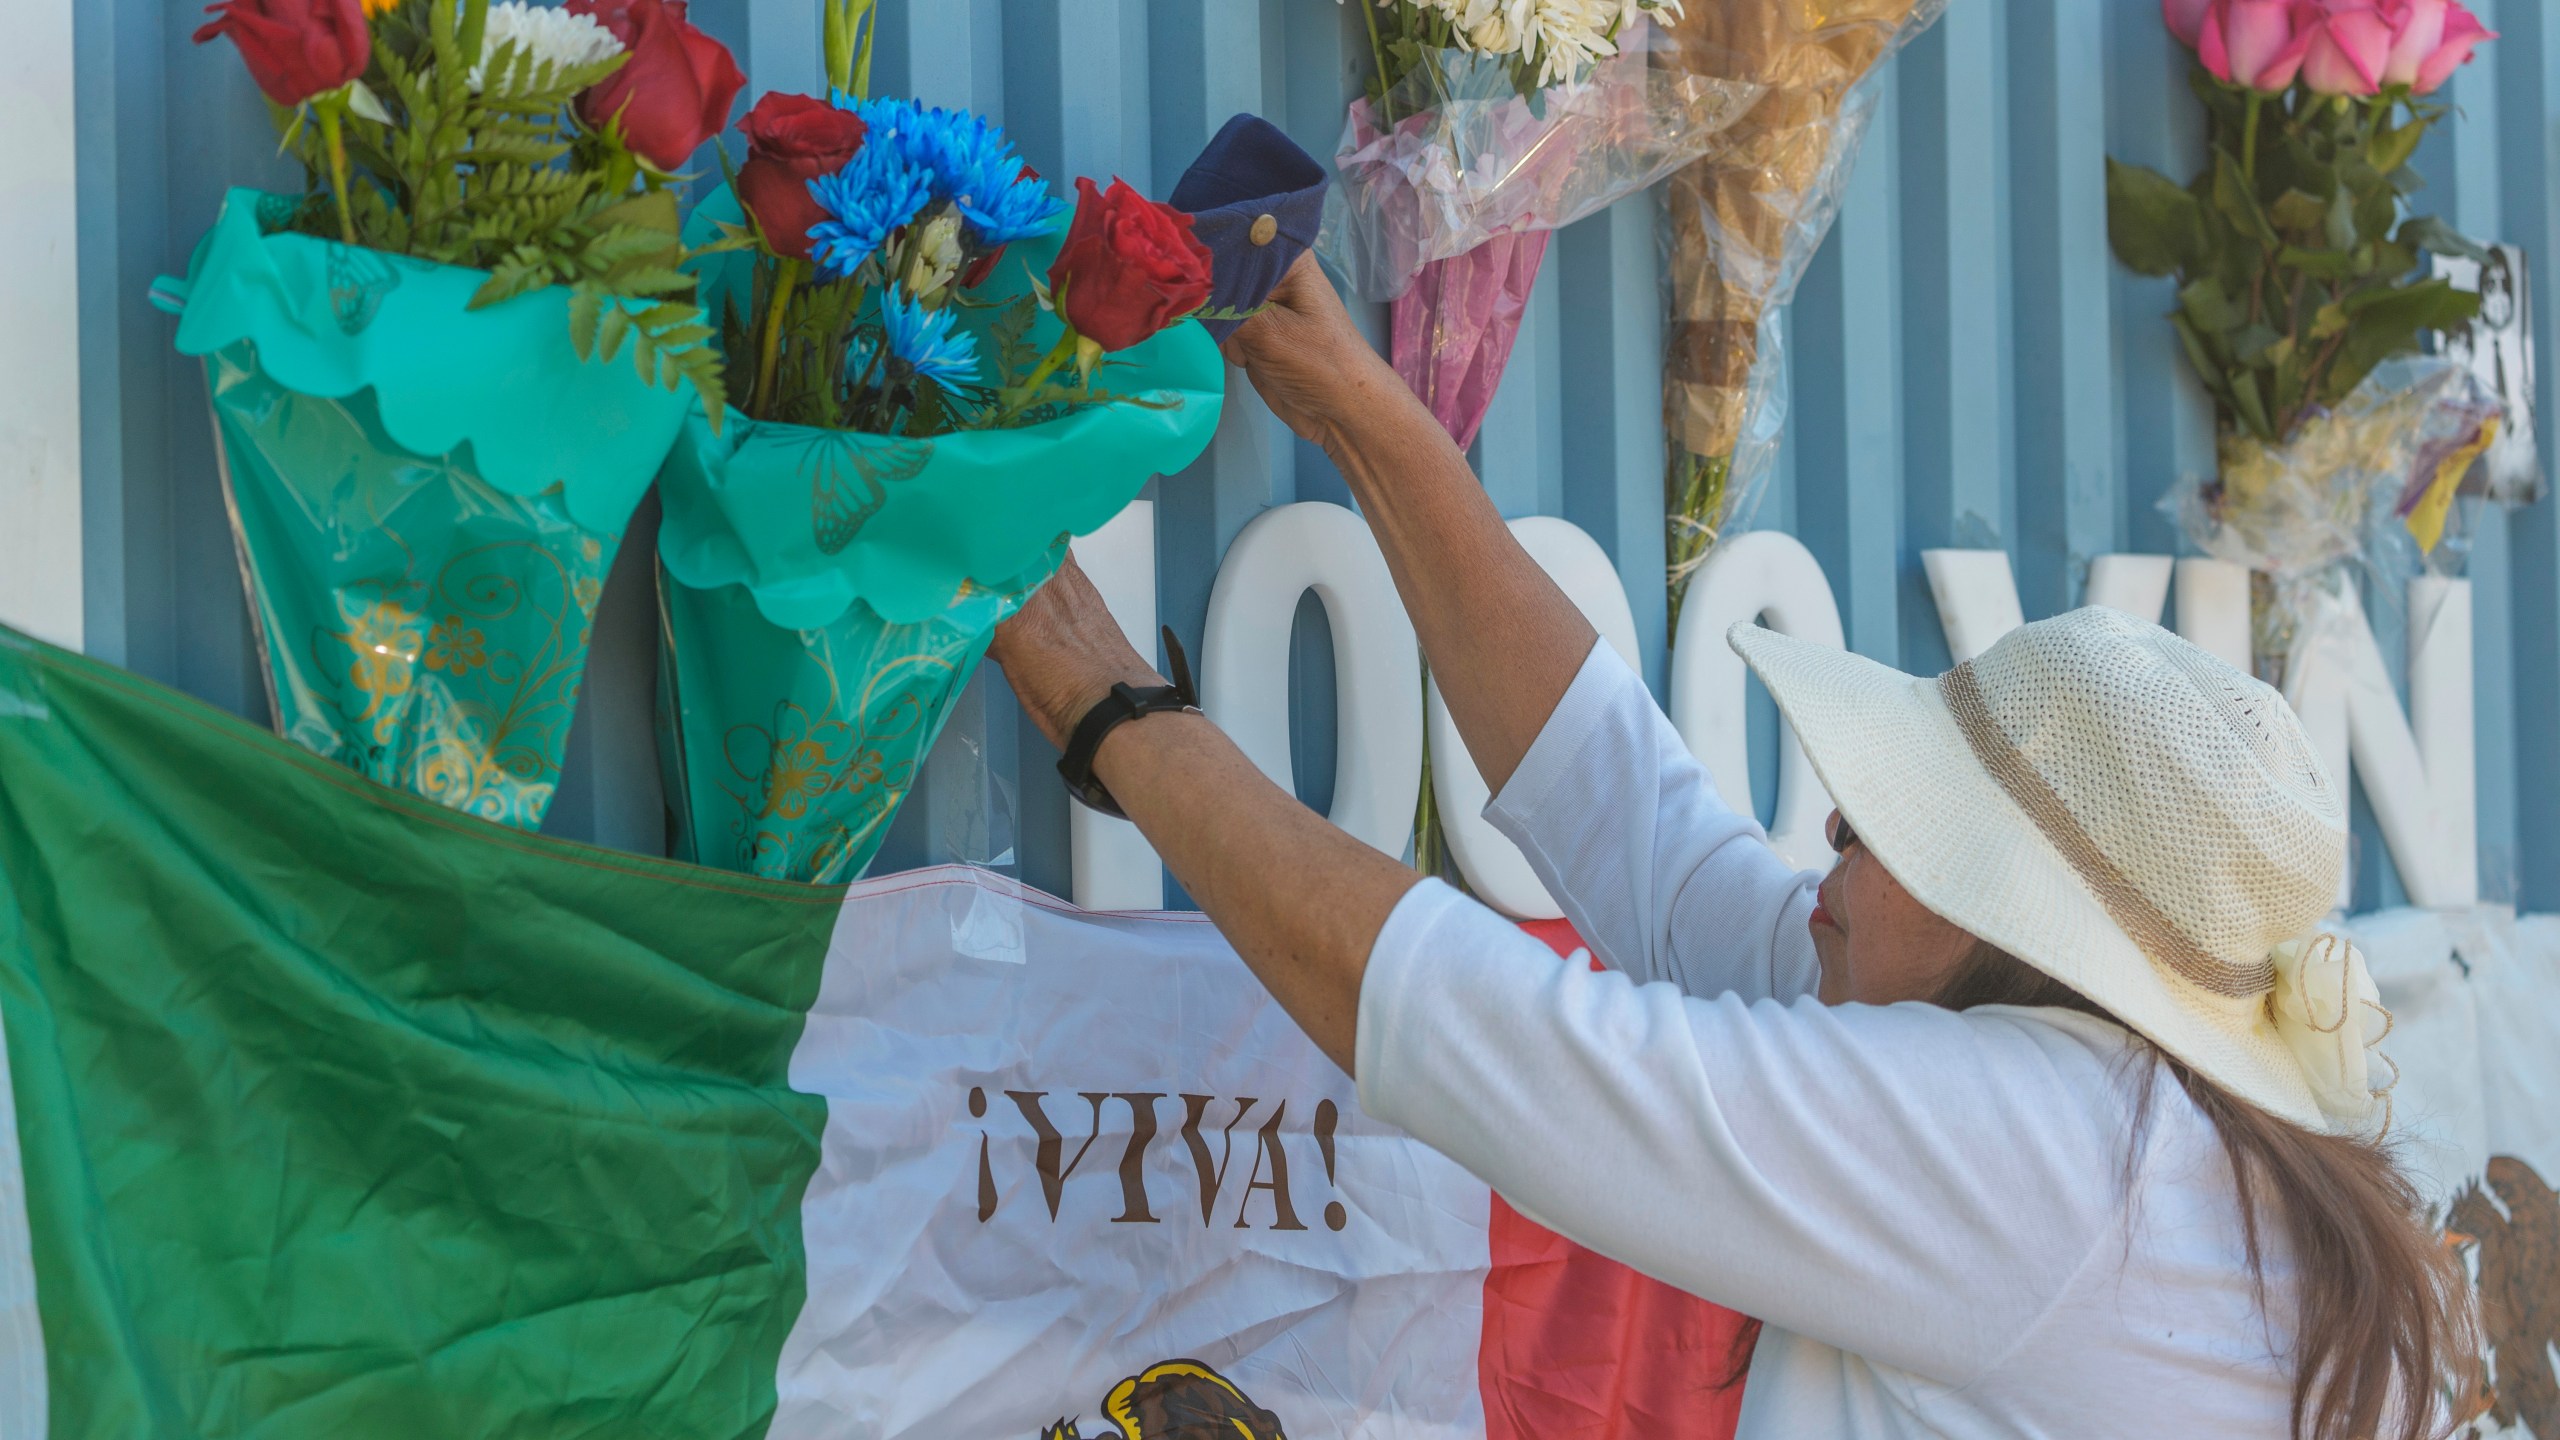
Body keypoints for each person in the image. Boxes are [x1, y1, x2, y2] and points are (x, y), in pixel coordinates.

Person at [985, 254, 2478, 1440]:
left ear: (2020, 938)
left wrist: (1113, 715)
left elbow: (1495, 1038)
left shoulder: (2050, 1158)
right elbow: (1635, 818)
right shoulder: (2132, 1121)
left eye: (1910, 825)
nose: (1837, 821)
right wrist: (1368, 423)